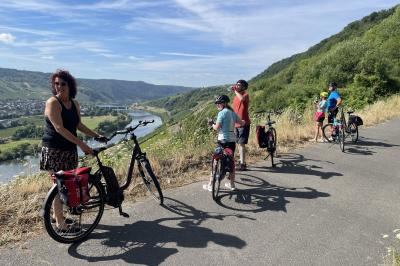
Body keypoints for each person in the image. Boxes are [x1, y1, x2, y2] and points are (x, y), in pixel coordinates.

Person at [40, 69, 104, 232]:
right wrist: (82, 144)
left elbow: (78, 125)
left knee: (66, 184)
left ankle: (57, 215)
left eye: (62, 84)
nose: (59, 87)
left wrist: (96, 135)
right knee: (58, 184)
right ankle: (60, 224)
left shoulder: (74, 103)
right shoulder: (53, 103)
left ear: (70, 86)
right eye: (56, 83)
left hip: (69, 149)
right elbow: (59, 128)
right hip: (54, 149)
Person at [203, 95, 245, 191]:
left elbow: (217, 128)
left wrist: (212, 124)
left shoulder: (221, 113)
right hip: (231, 141)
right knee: (231, 162)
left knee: (215, 161)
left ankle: (210, 184)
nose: (217, 105)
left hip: (222, 140)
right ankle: (232, 185)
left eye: (219, 103)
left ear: (225, 103)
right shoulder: (232, 113)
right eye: (217, 103)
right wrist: (243, 121)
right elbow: (241, 123)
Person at [232, 79, 250, 171]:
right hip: (235, 124)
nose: (237, 86)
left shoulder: (245, 95)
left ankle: (243, 164)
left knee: (241, 144)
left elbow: (242, 99)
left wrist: (235, 90)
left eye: (239, 85)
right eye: (236, 84)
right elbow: (234, 109)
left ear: (244, 87)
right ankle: (241, 160)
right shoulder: (235, 97)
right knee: (238, 143)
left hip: (244, 123)